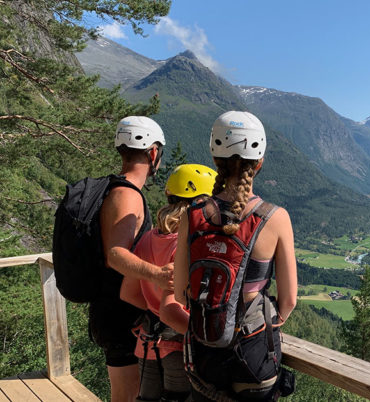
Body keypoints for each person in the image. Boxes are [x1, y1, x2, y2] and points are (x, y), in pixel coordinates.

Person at [174, 111, 297, 401]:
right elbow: (288, 301)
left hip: (204, 349)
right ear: (260, 163)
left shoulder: (191, 216)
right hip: (253, 353)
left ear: (216, 160)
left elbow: (181, 293)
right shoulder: (275, 218)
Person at [91, 116, 173, 402]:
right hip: (119, 313)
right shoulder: (127, 195)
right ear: (153, 153)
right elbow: (116, 255)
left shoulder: (113, 188)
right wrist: (158, 274)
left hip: (108, 307)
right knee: (127, 396)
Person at [120, 164, 217, 402]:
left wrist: (152, 311)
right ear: (202, 202)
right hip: (178, 346)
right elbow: (169, 310)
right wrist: (207, 342)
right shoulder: (185, 245)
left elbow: (128, 293)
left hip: (147, 342)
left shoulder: (149, 237)